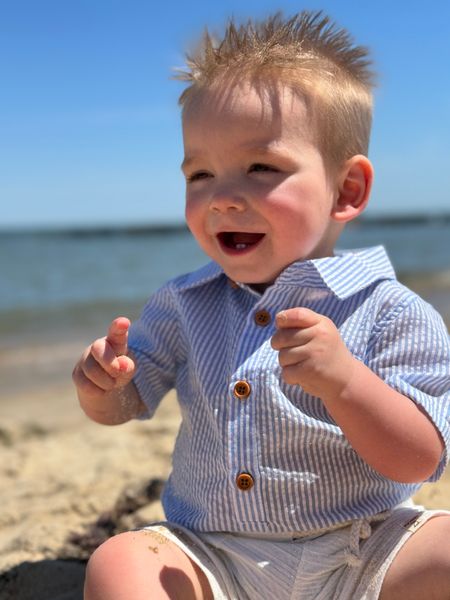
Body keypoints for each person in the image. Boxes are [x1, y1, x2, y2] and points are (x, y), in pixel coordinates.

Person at [72, 10, 450, 600]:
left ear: (347, 191)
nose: (222, 198)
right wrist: (104, 386)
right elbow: (126, 403)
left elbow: (419, 460)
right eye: (199, 174)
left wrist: (347, 382)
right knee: (120, 563)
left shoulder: (393, 311)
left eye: (260, 168)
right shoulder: (184, 302)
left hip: (364, 547)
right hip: (213, 551)